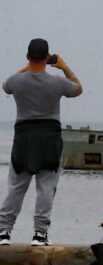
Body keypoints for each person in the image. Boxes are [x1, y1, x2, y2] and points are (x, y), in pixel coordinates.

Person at [1, 39, 82, 246]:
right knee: (46, 187)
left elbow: (6, 86)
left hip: (24, 138)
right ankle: (40, 234)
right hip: (49, 138)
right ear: (47, 58)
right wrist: (64, 67)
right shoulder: (57, 82)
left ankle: (3, 231)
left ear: (28, 56)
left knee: (17, 186)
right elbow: (78, 88)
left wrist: (30, 66)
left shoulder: (17, 81)